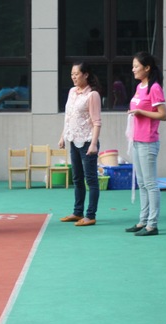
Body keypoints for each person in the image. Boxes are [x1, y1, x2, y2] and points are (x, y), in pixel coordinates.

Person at [124, 51, 166, 236]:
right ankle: (143, 221)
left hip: (148, 142)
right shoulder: (139, 87)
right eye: (133, 66)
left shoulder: (154, 87)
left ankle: (152, 224)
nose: (133, 69)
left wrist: (142, 113)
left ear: (147, 68)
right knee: (142, 183)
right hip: (137, 140)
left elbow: (163, 115)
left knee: (150, 184)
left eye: (136, 66)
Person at [59, 61, 102, 227]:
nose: (73, 77)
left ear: (86, 75)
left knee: (91, 180)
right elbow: (68, 117)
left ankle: (90, 215)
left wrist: (93, 144)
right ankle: (77, 212)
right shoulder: (72, 92)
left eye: (76, 74)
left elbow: (97, 121)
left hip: (87, 142)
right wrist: (63, 136)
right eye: (72, 74)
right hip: (72, 140)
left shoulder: (92, 95)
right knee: (77, 179)